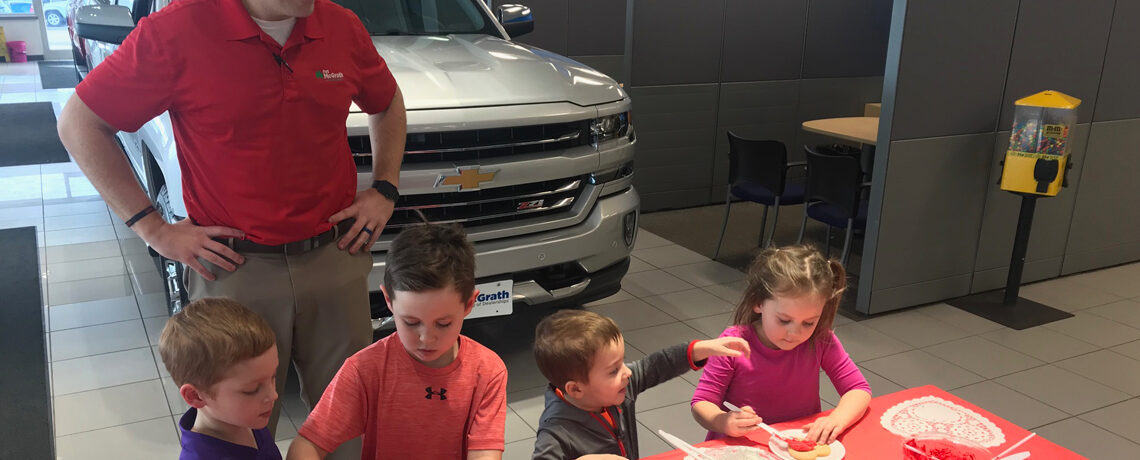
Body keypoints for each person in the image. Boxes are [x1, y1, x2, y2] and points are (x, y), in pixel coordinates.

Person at [56, 0, 406, 457]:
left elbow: (386, 100)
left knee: (348, 418)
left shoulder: (339, 25)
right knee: (235, 427)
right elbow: (80, 122)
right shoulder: (176, 30)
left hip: (332, 255)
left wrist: (385, 186)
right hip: (236, 269)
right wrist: (154, 229)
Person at [287, 223, 507, 460]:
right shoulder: (365, 369)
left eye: (443, 323)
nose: (426, 338)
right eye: (411, 322)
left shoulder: (487, 371)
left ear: (469, 304)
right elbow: (309, 442)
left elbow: (485, 453)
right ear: (388, 300)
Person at [690, 245, 871, 445]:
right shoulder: (734, 344)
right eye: (784, 320)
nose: (795, 333)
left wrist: (837, 420)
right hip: (741, 448)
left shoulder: (820, 340)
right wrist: (724, 421)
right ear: (758, 302)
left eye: (809, 322)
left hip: (795, 444)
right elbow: (701, 403)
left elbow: (858, 388)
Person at [531, 309, 751, 460]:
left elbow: (656, 364)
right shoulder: (555, 430)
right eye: (613, 370)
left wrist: (700, 349)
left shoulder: (619, 388)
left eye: (622, 363)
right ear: (576, 389)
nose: (627, 372)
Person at [158, 297, 281, 459]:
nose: (273, 395)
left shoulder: (245, 418)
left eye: (273, 377)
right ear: (195, 396)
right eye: (252, 390)